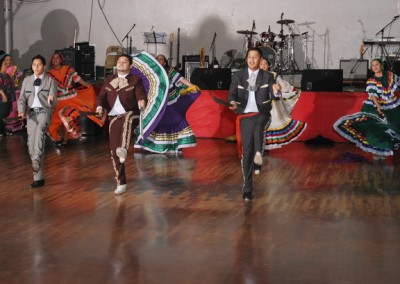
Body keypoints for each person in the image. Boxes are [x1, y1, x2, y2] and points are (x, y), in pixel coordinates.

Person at [228, 47, 274, 201]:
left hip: (262, 114)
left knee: (258, 126)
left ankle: (259, 154)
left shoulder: (267, 76)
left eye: (255, 57)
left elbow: (274, 94)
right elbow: (232, 94)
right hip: (245, 115)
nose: (252, 59)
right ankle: (247, 187)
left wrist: (277, 91)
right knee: (246, 152)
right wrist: (233, 102)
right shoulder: (238, 76)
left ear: (261, 60)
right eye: (249, 57)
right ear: (246, 58)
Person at [96, 54, 147, 195]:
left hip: (132, 113)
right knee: (114, 152)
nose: (121, 63)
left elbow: (141, 94)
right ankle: (121, 182)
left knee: (128, 120)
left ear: (130, 66)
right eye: (119, 61)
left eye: (125, 62)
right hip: (114, 117)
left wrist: (142, 101)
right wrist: (99, 108)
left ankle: (124, 148)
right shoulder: (109, 80)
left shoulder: (136, 80)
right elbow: (101, 97)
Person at [133, 54, 201, 154]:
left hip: (169, 101)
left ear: (164, 62)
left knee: (176, 119)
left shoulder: (169, 71)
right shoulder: (150, 72)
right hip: (156, 102)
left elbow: (180, 79)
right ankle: (152, 146)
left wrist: (192, 86)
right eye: (156, 59)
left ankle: (174, 146)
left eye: (161, 59)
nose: (159, 60)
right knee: (155, 122)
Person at [334, 58, 400, 161]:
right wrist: (378, 106)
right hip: (375, 105)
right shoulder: (371, 80)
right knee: (375, 126)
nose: (375, 67)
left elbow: (398, 80)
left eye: (377, 64)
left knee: (393, 124)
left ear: (381, 65)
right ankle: (379, 151)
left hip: (391, 104)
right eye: (373, 65)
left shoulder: (389, 75)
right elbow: (373, 95)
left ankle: (389, 145)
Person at [47, 51, 104, 147]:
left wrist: (88, 85)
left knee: (65, 116)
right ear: (51, 61)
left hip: (71, 99)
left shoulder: (68, 69)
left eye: (57, 58)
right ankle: (61, 137)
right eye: (53, 58)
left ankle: (65, 139)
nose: (55, 60)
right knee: (57, 120)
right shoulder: (49, 74)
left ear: (61, 60)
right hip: (58, 100)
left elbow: (77, 79)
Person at [17, 55, 58, 188]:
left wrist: (51, 98)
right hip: (31, 114)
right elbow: (22, 99)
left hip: (44, 112)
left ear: (44, 66)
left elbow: (54, 100)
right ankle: (38, 178)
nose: (36, 67)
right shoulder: (27, 80)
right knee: (31, 143)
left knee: (40, 132)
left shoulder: (50, 81)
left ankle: (36, 160)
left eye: (39, 65)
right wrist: (21, 111)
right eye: (34, 64)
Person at [259, 58, 306, 150]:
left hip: (272, 105)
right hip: (259, 105)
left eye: (265, 64)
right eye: (261, 64)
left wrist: (290, 89)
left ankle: (266, 147)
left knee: (271, 123)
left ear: (268, 66)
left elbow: (283, 85)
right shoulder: (254, 76)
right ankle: (260, 146)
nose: (264, 66)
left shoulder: (273, 75)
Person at [1, 52, 24, 134]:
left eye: (10, 60)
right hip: (2, 97)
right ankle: (2, 130)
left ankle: (7, 129)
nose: (8, 62)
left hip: (10, 95)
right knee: (3, 113)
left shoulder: (11, 71)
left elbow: (15, 84)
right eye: (6, 60)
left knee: (9, 112)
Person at [0, 52, 15, 136]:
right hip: (2, 99)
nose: (7, 64)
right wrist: (3, 95)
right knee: (1, 114)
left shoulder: (7, 75)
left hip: (9, 98)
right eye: (5, 63)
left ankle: (4, 130)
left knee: (5, 114)